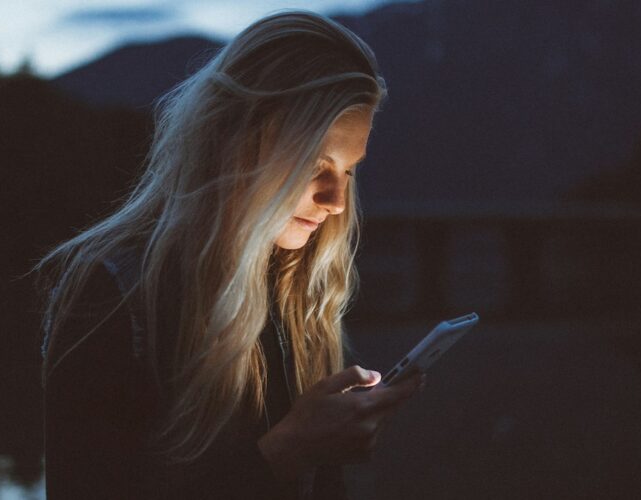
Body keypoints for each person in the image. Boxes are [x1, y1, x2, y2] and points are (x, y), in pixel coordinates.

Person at [31, 9, 424, 500]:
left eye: (347, 171)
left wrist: (326, 445)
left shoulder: (295, 290)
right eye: (315, 164)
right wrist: (289, 450)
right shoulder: (113, 294)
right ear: (238, 141)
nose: (336, 201)